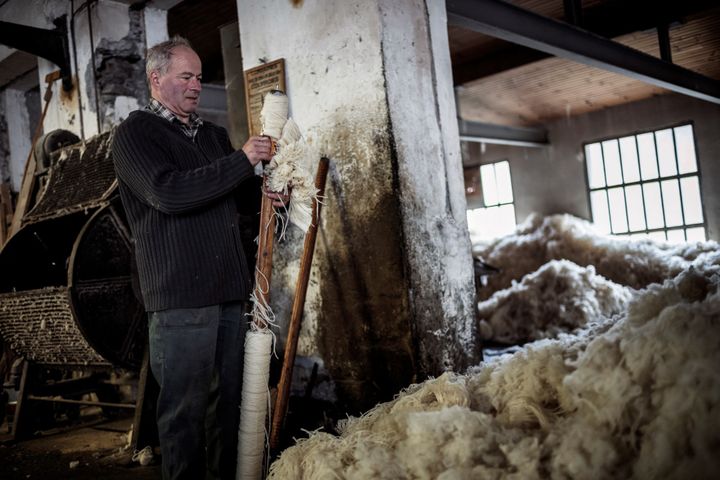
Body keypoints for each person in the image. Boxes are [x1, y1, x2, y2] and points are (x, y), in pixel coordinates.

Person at [112, 36, 285, 480]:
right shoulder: (134, 134)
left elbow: (234, 195)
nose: (195, 86)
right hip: (180, 295)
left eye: (199, 77)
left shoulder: (212, 135)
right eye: (185, 76)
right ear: (156, 79)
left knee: (227, 405)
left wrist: (265, 192)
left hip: (229, 287)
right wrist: (243, 161)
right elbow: (168, 192)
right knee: (184, 412)